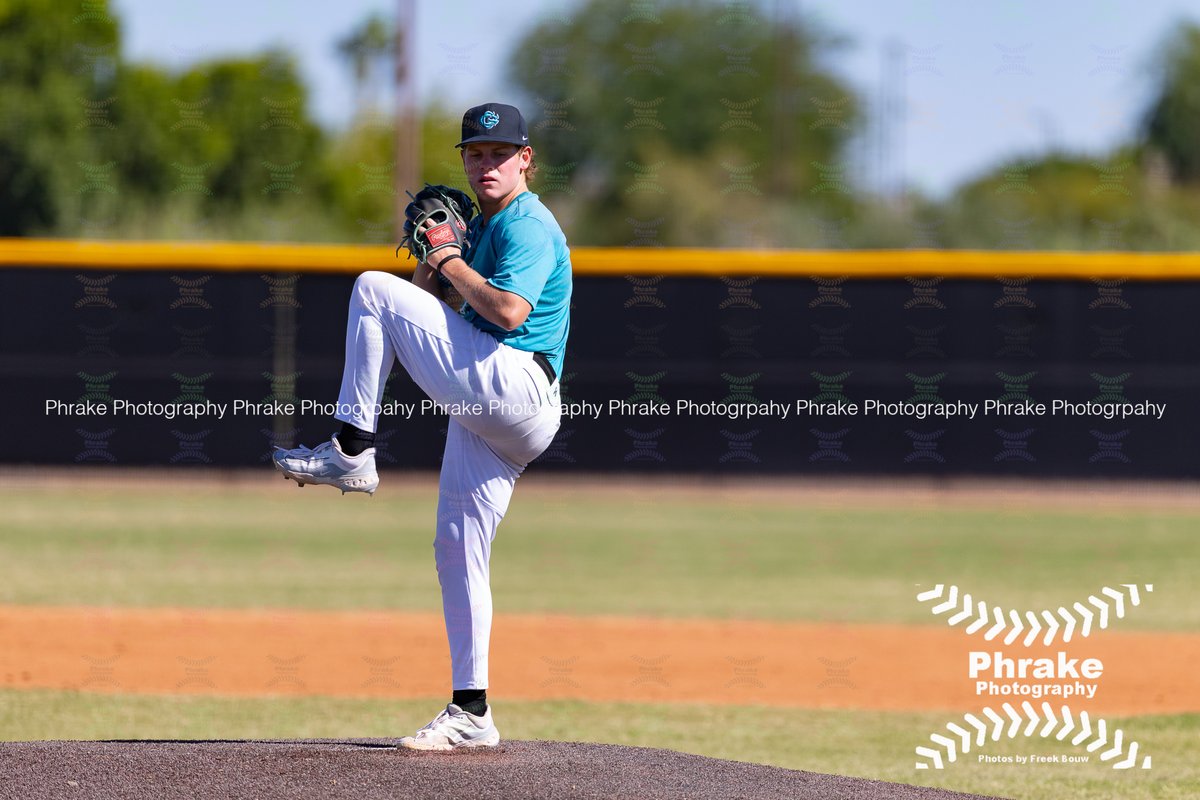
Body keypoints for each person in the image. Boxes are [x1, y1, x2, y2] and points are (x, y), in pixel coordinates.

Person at [272, 102, 571, 750]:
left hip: (518, 383)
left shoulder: (527, 225)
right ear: (463, 161)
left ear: (526, 160)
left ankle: (352, 447)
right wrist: (436, 257)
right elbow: (427, 311)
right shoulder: (483, 229)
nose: (486, 163)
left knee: (368, 289)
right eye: (475, 153)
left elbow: (511, 312)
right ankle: (472, 713)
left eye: (499, 153)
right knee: (457, 550)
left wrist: (450, 258)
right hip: (491, 402)